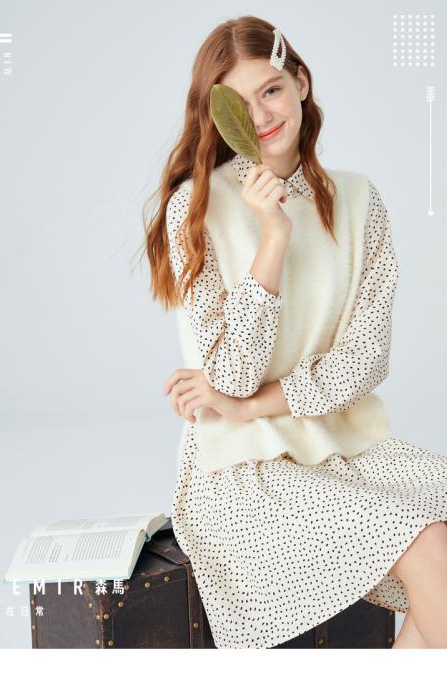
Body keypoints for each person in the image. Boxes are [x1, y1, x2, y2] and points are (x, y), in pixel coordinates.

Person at [138, 16, 447, 649]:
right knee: (426, 542)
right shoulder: (196, 205)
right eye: (238, 104)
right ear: (217, 116)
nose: (260, 117)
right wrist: (273, 238)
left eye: (271, 90)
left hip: (346, 448)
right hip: (244, 470)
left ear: (301, 83)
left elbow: (364, 362)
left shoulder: (360, 200)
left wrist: (249, 405)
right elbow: (230, 375)